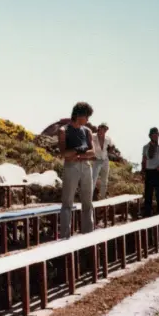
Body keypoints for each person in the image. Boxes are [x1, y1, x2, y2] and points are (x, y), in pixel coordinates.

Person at [58, 102, 96, 238]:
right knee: (67, 202)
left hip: (86, 166)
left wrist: (78, 155)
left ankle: (88, 235)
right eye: (87, 116)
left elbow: (93, 153)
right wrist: (79, 150)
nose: (88, 120)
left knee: (87, 201)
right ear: (79, 115)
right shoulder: (64, 130)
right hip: (71, 168)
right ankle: (65, 236)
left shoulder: (87, 131)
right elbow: (64, 154)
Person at [92, 122, 113, 200]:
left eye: (106, 128)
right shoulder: (93, 136)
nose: (104, 130)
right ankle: (90, 197)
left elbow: (111, 146)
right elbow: (88, 145)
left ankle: (103, 197)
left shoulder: (108, 138)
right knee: (93, 178)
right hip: (96, 159)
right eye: (103, 128)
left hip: (105, 159)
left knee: (104, 179)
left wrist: (110, 151)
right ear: (99, 128)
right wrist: (91, 155)